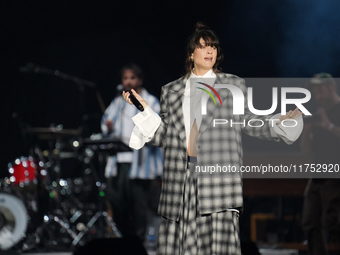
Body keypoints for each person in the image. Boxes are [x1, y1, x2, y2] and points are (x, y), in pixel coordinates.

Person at [123, 23, 303, 255]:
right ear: (191, 54)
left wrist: (277, 123)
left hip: (218, 180)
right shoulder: (172, 90)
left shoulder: (232, 85)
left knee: (219, 249)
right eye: (203, 46)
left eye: (213, 47)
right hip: (180, 180)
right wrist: (146, 110)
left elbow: (248, 120)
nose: (210, 51)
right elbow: (164, 136)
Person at [101, 63, 163, 242]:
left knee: (139, 205)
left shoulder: (149, 101)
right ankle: (126, 239)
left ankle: (139, 243)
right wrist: (108, 126)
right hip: (119, 160)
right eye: (125, 78)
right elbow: (106, 120)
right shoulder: (119, 101)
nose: (128, 82)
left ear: (139, 80)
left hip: (140, 163)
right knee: (116, 200)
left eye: (132, 78)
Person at [301, 73, 340, 255]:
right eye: (315, 93)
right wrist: (304, 133)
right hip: (318, 174)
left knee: (331, 221)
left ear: (331, 88)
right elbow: (307, 150)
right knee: (310, 221)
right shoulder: (317, 113)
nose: (318, 96)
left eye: (321, 91)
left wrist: (329, 126)